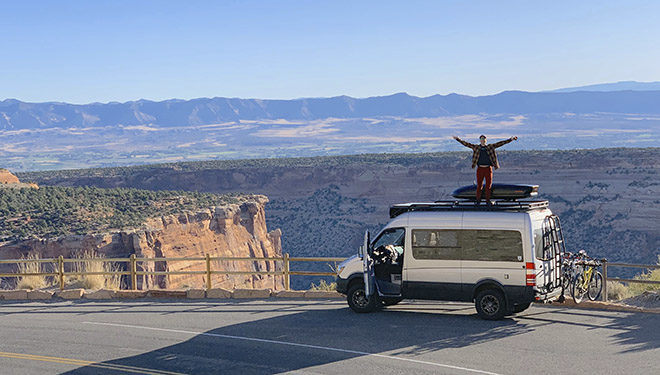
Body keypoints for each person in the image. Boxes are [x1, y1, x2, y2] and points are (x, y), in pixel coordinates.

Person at [453, 134, 518, 205]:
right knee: (479, 186)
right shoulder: (476, 147)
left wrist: (511, 139)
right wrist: (458, 139)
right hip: (480, 168)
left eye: (484, 139)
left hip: (488, 168)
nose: (483, 141)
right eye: (481, 139)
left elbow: (501, 143)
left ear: (486, 140)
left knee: (488, 186)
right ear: (480, 140)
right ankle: (478, 201)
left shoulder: (490, 147)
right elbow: (466, 144)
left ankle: (487, 201)